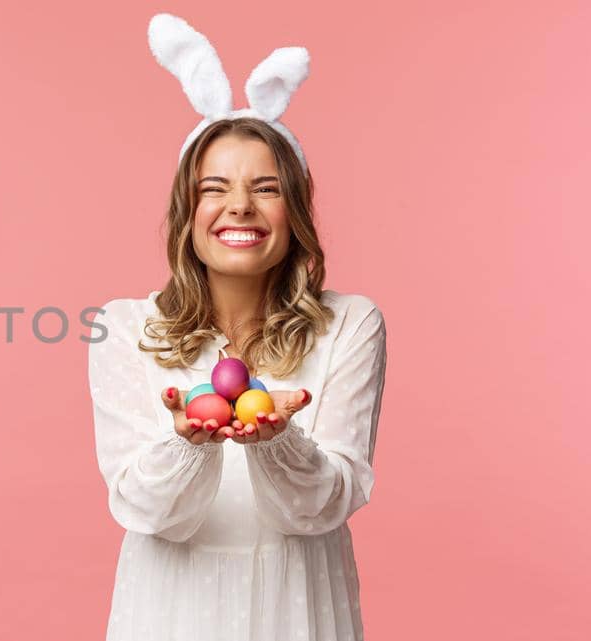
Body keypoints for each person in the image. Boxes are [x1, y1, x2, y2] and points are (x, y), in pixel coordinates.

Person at [89, 15, 388, 641]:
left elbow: (322, 508)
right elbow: (146, 511)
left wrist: (277, 441)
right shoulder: (123, 327)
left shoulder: (351, 324)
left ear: (296, 209)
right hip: (168, 613)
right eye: (214, 188)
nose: (240, 207)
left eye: (266, 187)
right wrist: (189, 446)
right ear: (186, 212)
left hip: (298, 610)